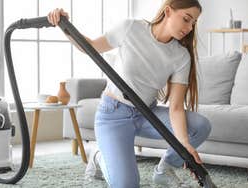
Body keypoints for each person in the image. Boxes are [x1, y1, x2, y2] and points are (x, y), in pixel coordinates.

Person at [48, 0, 211, 187]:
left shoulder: (181, 56)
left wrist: (184, 145)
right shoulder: (131, 28)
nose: (190, 28)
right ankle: (99, 157)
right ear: (168, 11)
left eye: (193, 23)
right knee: (127, 185)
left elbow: (175, 108)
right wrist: (65, 25)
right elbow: (91, 46)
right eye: (186, 19)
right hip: (113, 115)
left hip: (147, 115)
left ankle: (164, 170)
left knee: (200, 126)